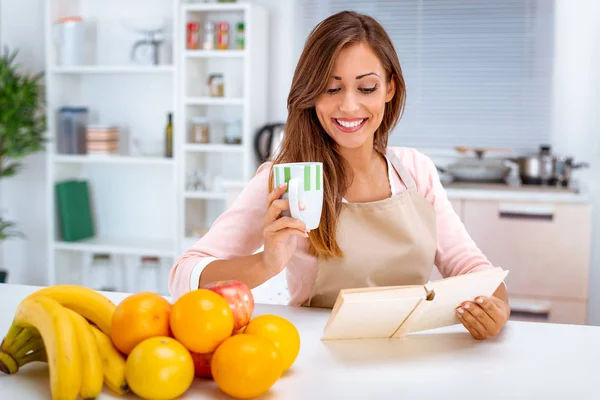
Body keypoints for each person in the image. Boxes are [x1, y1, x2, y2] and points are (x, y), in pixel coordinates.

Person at [169, 11, 510, 340]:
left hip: (408, 359)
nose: (349, 106)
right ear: (311, 93)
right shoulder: (288, 181)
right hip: (319, 360)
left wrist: (497, 310)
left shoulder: (415, 172)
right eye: (332, 89)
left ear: (389, 89)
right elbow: (184, 274)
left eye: (366, 88)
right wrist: (266, 263)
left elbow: (470, 267)